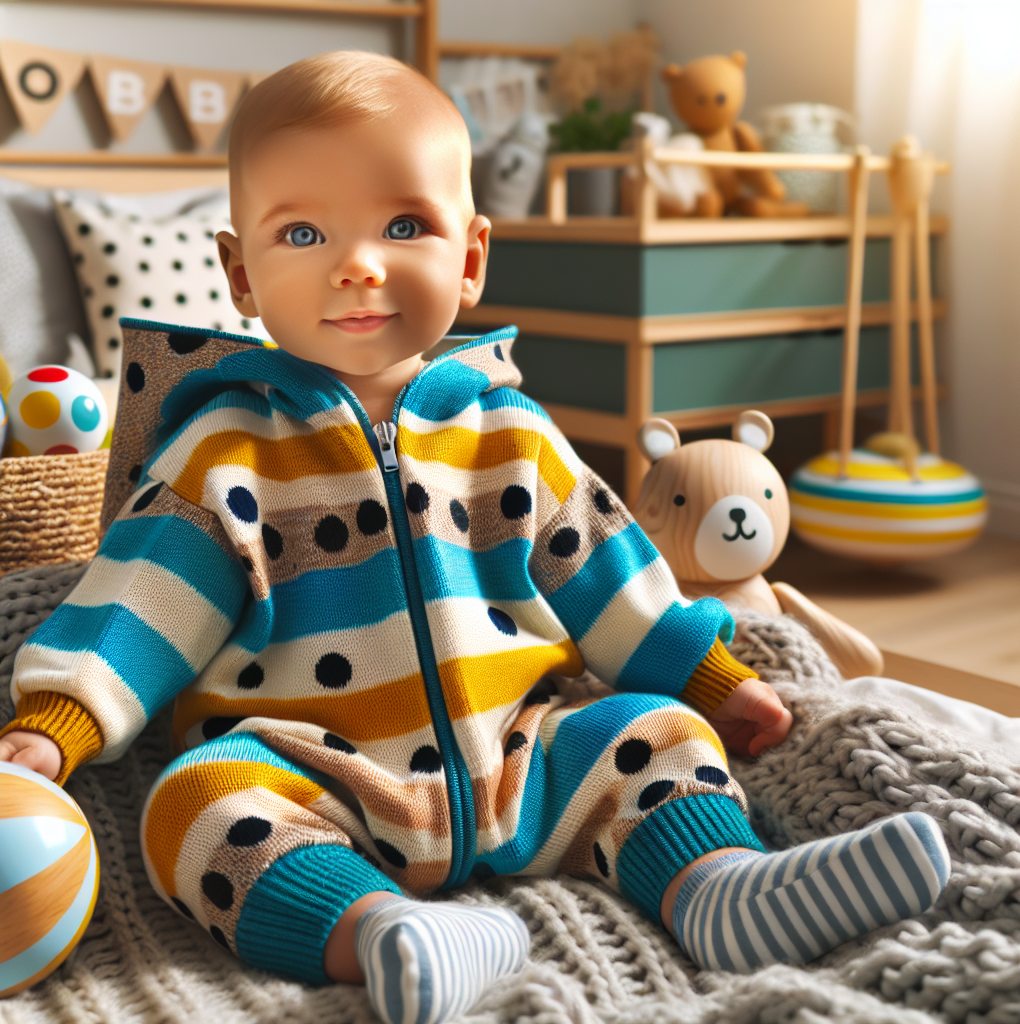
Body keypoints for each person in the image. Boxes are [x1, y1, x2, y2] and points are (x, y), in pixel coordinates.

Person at [0, 51, 950, 1024]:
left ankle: (719, 889)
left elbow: (607, 567)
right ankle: (379, 930)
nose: (358, 263)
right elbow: (140, 600)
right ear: (241, 274)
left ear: (470, 255)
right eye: (304, 231)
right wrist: (58, 722)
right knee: (193, 807)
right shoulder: (224, 454)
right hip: (314, 778)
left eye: (403, 225)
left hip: (521, 755)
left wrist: (708, 677)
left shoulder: (512, 433)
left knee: (654, 737)